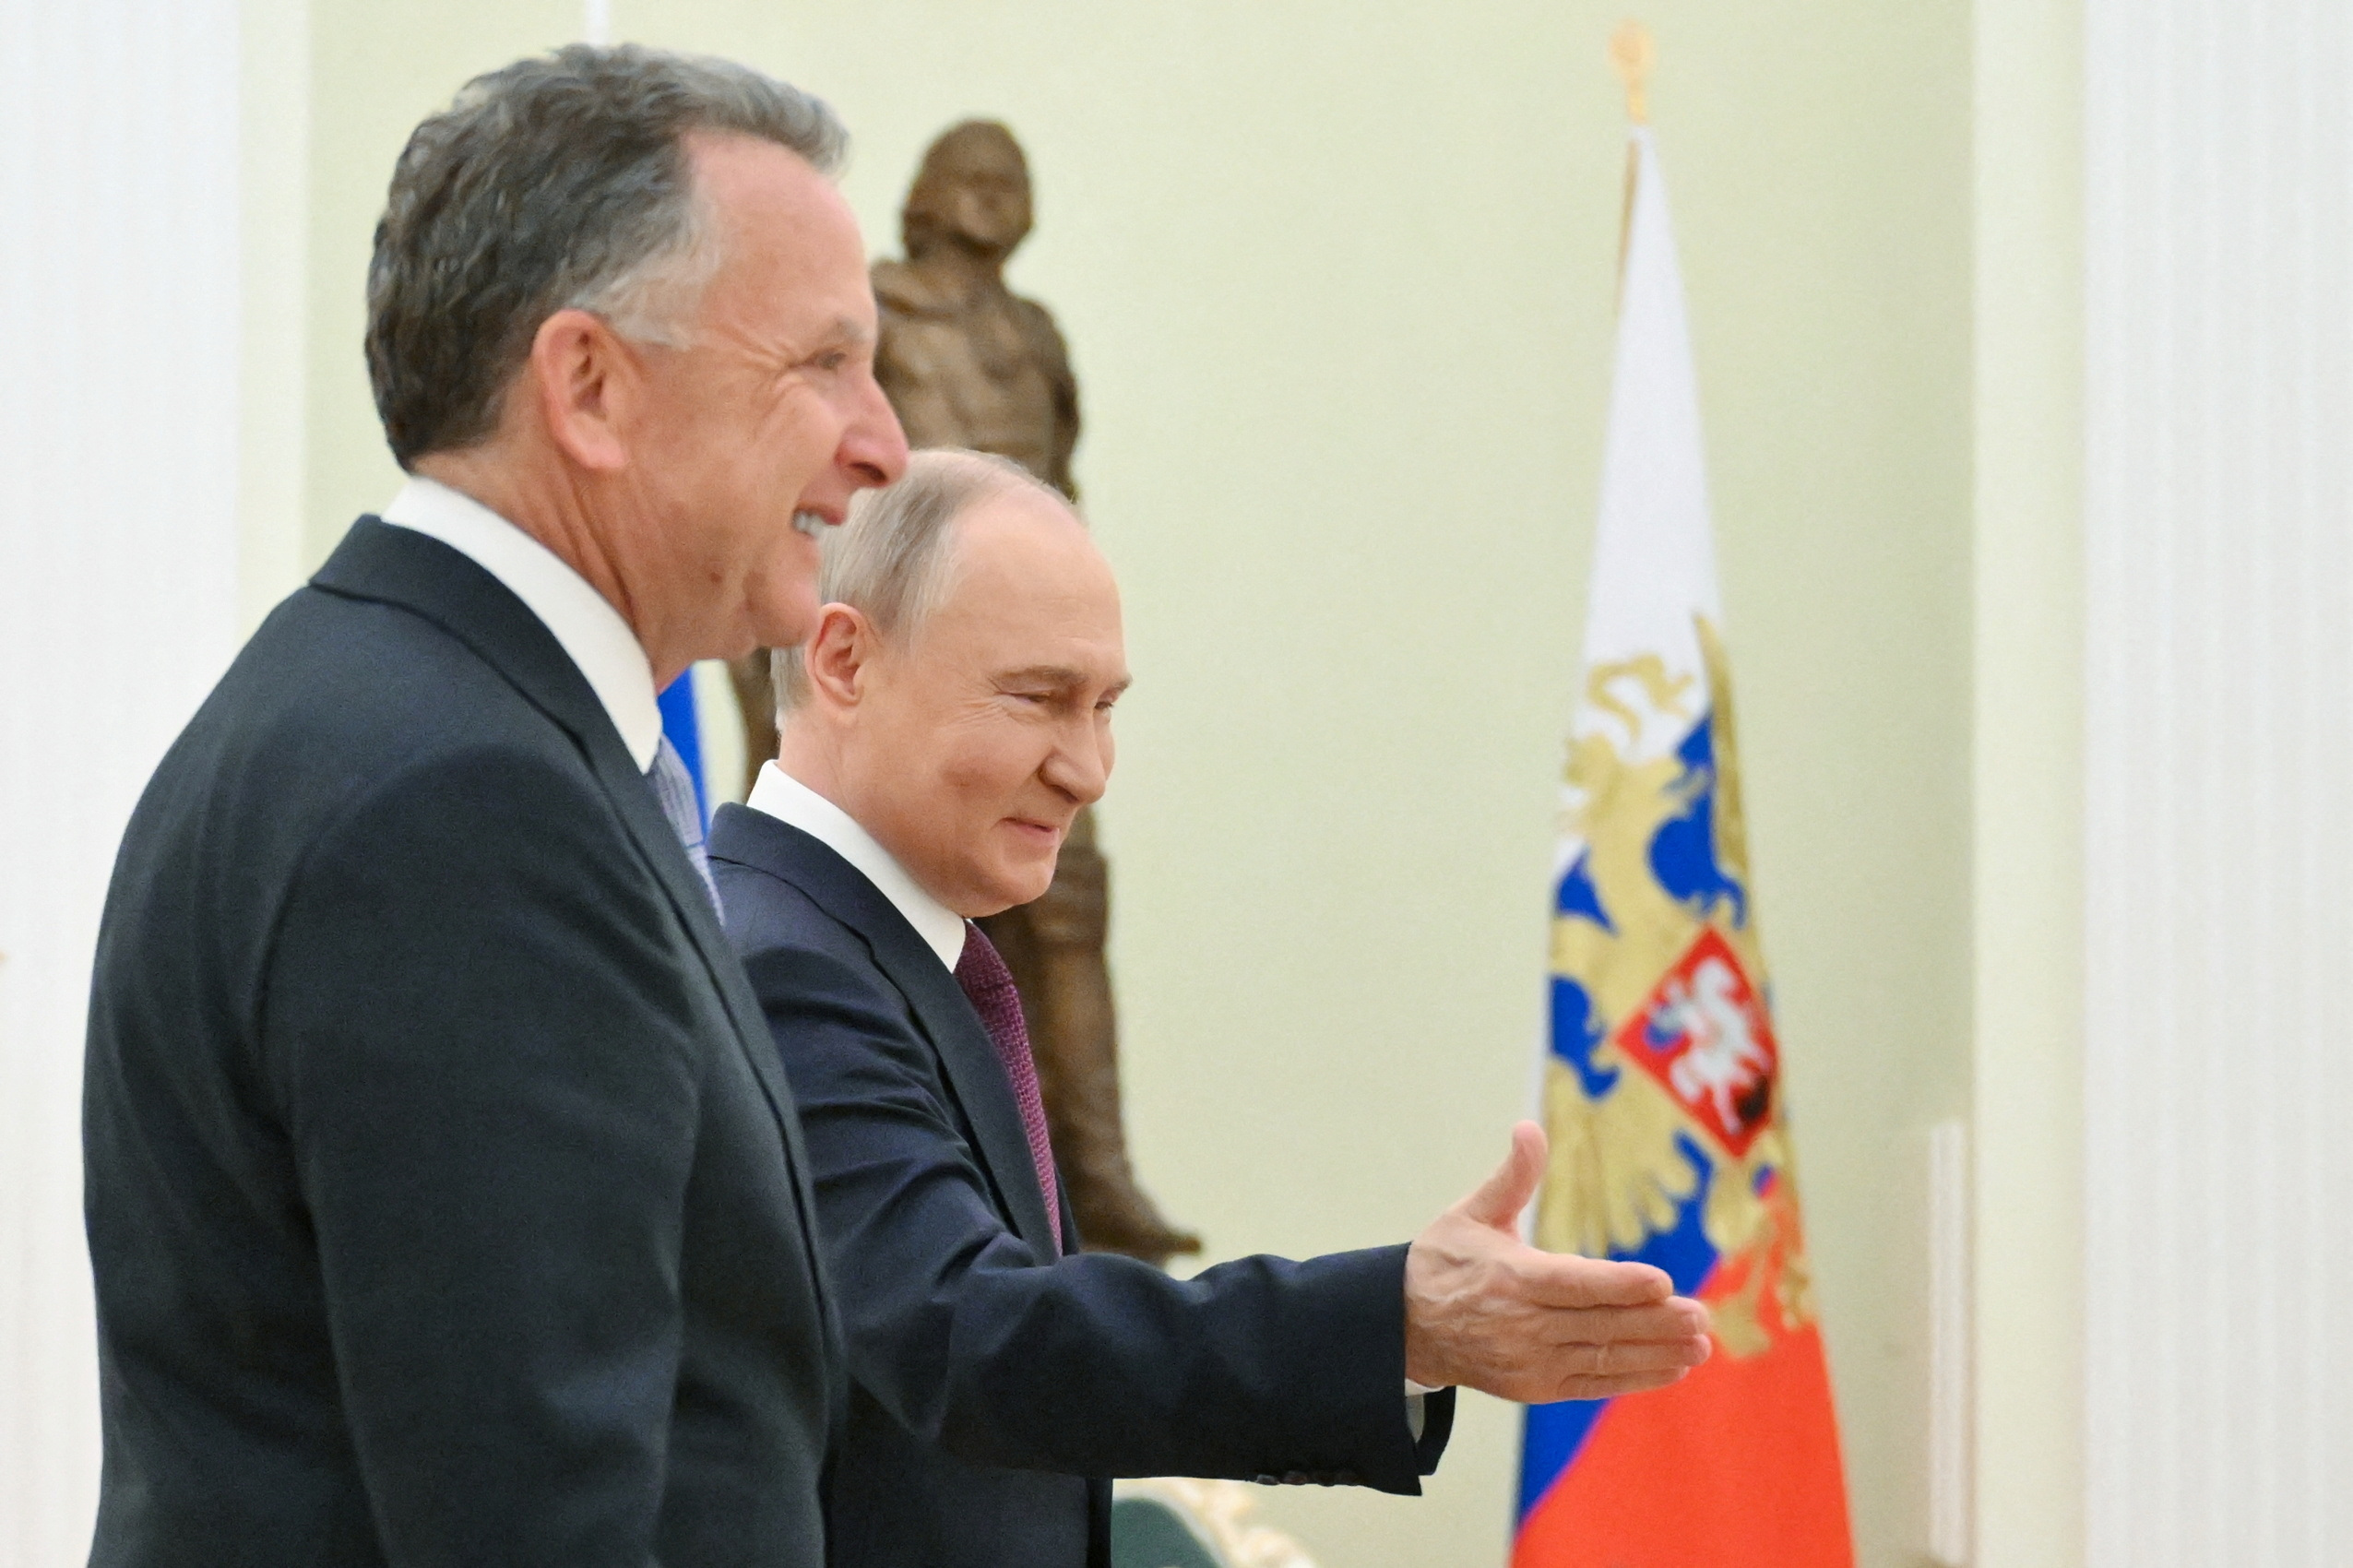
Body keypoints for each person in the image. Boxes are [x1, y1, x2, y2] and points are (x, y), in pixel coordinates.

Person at [81, 45, 907, 1568]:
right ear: (589, 387)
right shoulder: (463, 809)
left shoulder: (389, 704)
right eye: (823, 365)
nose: (884, 441)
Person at [707, 449, 1713, 1568]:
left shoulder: (877, 953)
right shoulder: (782, 965)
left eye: (1104, 708)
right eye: (1038, 697)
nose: (1087, 768)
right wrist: (1393, 1320)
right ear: (844, 660)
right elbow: (974, 1338)